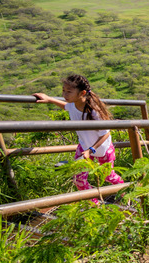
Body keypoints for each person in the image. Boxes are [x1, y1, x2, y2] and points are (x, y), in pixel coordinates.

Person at [34, 75, 124, 203]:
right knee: (79, 180)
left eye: (69, 91)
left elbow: (106, 134)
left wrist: (91, 149)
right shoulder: (73, 105)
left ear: (82, 93)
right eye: (63, 90)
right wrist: (49, 99)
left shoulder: (94, 111)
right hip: (84, 146)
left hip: (101, 148)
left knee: (108, 175)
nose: (65, 94)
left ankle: (126, 193)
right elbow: (65, 106)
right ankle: (94, 205)